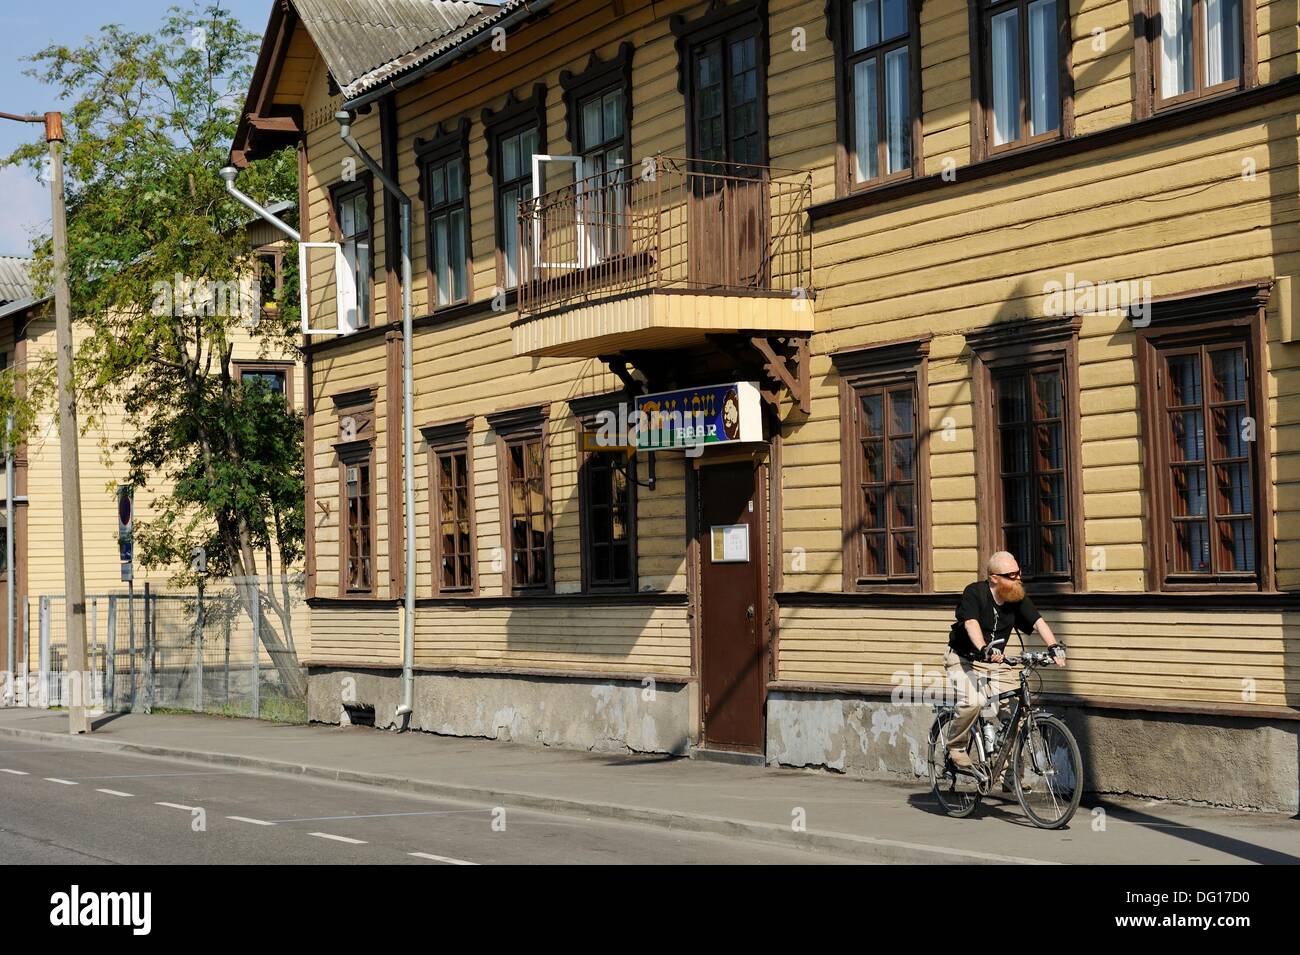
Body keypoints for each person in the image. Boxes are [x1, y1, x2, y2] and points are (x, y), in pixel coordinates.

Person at [944, 551, 1065, 770]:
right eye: (1012, 575)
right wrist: (983, 648)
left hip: (996, 664)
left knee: (1017, 716)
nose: (1018, 578)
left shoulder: (1015, 597)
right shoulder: (975, 592)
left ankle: (1008, 774)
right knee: (974, 702)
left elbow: (1038, 622)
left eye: (1019, 573)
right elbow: (971, 623)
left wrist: (1054, 647)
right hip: (964, 660)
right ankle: (956, 747)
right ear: (994, 578)